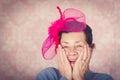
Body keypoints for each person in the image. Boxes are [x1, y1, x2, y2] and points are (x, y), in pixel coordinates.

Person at [36, 7, 113, 80]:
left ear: (91, 49)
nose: (72, 52)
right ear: (58, 49)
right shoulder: (47, 76)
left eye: (79, 45)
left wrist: (78, 78)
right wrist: (66, 77)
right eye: (65, 46)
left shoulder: (105, 79)